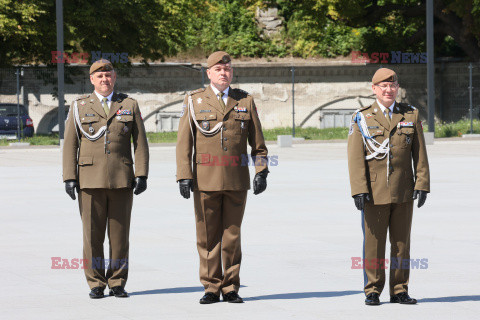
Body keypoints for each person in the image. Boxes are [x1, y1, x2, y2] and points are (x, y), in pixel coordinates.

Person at [176, 51, 269, 304]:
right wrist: (184, 175)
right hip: (204, 180)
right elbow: (184, 144)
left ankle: (230, 287)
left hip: (236, 180)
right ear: (208, 73)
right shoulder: (195, 101)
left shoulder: (245, 101)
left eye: (227, 69)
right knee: (207, 236)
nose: (223, 73)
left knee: (232, 236)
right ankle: (210, 286)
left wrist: (262, 170)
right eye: (218, 70)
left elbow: (258, 143)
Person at [62, 59, 149, 299]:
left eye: (108, 75)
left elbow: (140, 143)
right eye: (99, 76)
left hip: (122, 179)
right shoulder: (79, 106)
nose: (104, 80)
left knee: (120, 236)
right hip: (89, 180)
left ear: (114, 77)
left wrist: (141, 173)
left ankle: (118, 281)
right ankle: (96, 283)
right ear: (91, 80)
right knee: (92, 236)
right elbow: (70, 144)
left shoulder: (129, 104)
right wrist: (69, 177)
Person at [347, 68, 430, 306]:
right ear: (374, 89)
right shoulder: (362, 117)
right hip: (373, 192)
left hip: (403, 191)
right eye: (383, 86)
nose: (388, 90)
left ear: (397, 88)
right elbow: (354, 157)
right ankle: (372, 290)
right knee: (373, 244)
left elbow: (420, 154)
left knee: (402, 244)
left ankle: (399, 290)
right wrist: (358, 189)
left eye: (392, 86)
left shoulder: (410, 115)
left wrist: (422, 183)